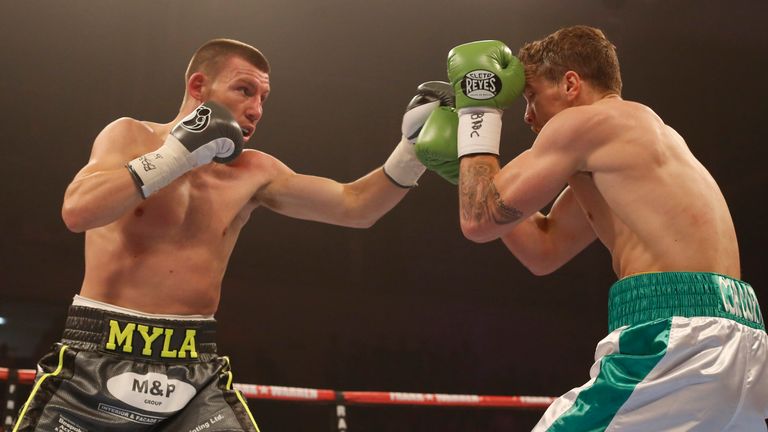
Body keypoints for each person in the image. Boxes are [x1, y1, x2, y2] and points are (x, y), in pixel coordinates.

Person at [11, 38, 453, 432]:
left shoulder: (254, 172)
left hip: (192, 370)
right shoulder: (130, 136)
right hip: (95, 361)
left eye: (263, 96)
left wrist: (412, 150)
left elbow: (355, 206)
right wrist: (175, 156)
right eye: (245, 90)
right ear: (199, 87)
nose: (256, 108)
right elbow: (77, 211)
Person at [416, 26, 767, 430]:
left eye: (531, 98)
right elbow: (542, 250)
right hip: (742, 341)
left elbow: (478, 220)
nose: (528, 116)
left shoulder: (587, 124)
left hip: (674, 337)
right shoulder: (630, 146)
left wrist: (477, 111)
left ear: (570, 84)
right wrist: (466, 175)